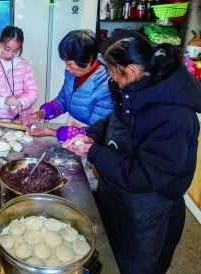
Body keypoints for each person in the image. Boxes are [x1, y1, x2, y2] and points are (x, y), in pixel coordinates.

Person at [63, 30, 201, 273]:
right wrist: (93, 135)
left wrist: (95, 153)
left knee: (133, 266)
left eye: (112, 71)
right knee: (109, 255)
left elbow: (149, 175)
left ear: (133, 70)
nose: (111, 78)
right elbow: (115, 120)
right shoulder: (135, 86)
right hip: (118, 194)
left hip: (148, 212)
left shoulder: (173, 114)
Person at [23, 29, 113, 143]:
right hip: (70, 131)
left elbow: (94, 131)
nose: (66, 68)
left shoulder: (105, 87)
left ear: (89, 59)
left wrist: (52, 132)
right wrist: (41, 113)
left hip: (88, 141)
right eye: (65, 63)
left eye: (69, 63)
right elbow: (63, 100)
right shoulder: (72, 75)